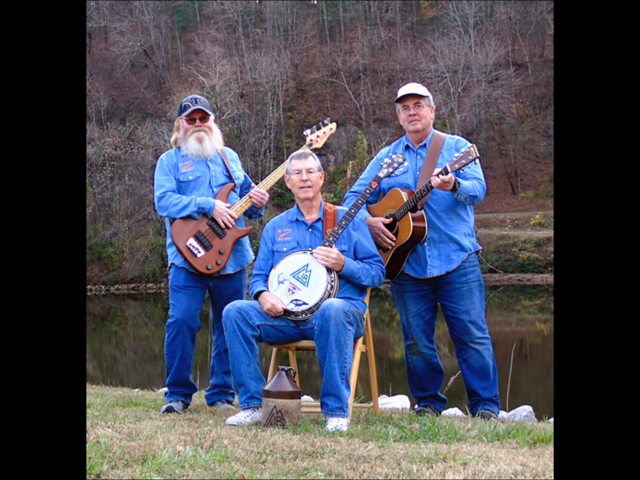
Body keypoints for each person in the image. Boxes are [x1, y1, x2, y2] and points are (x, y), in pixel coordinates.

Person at [342, 82, 500, 420]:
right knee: (415, 340)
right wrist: (370, 224)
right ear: (399, 116)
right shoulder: (387, 157)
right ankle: (428, 403)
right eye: (405, 108)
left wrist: (453, 184)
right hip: (406, 264)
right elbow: (351, 201)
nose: (412, 112)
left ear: (431, 111)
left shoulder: (457, 148)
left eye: (418, 105)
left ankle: (485, 408)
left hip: (456, 258)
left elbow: (478, 190)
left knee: (472, 335)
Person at [222, 150, 385, 432]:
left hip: (339, 315)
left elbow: (377, 272)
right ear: (287, 182)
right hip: (287, 317)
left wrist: (343, 264)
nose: (304, 178)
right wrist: (263, 296)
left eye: (310, 172)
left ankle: (335, 413)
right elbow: (259, 277)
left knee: (331, 310)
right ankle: (253, 406)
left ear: (321, 178)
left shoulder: (348, 219)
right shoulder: (276, 227)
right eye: (297, 173)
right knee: (235, 311)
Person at [154, 94, 269, 414]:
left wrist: (257, 201)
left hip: (232, 257)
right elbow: (164, 202)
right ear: (181, 125)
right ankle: (177, 394)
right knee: (181, 321)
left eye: (203, 118)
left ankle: (221, 393)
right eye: (190, 119)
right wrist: (207, 205)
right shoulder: (170, 161)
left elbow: (247, 201)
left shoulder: (230, 157)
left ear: (212, 121)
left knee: (228, 324)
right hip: (185, 258)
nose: (197, 124)